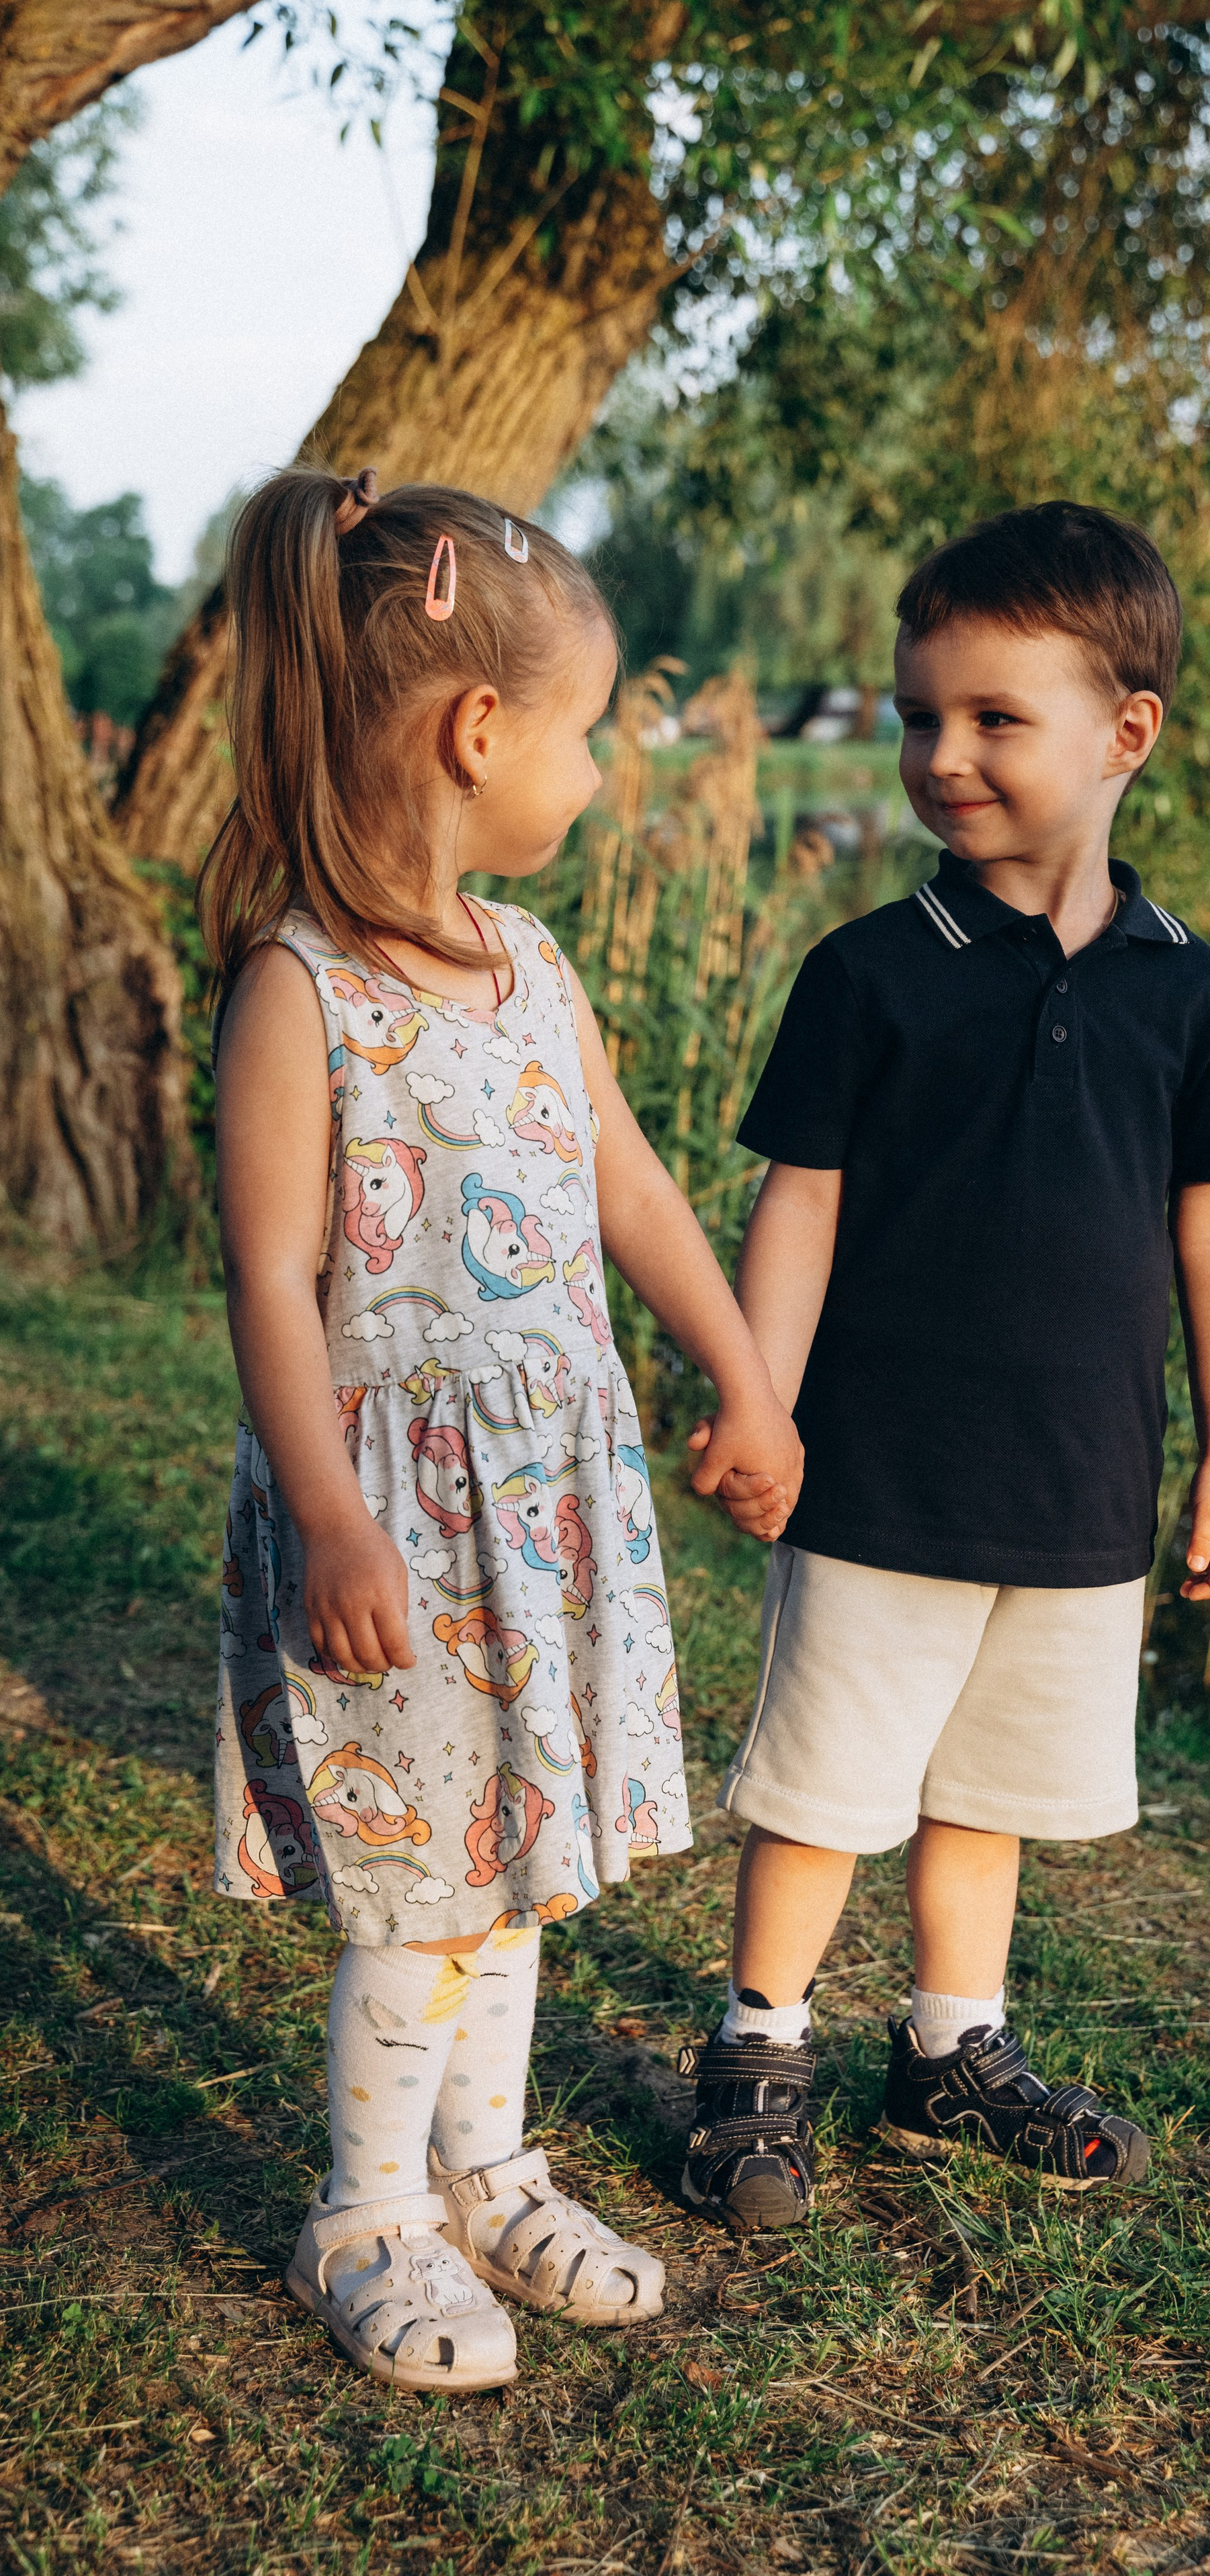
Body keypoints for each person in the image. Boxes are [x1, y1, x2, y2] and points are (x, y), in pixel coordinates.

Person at [206, 467, 801, 2388]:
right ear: (480, 732)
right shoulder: (301, 991)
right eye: (594, 736)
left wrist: (739, 1362)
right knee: (424, 1878)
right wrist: (326, 1510)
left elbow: (625, 1182)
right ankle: (367, 2210)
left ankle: (486, 2164)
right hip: (395, 1514)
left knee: (522, 1855)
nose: (607, 775)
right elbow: (276, 1281)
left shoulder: (532, 965)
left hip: (542, 1514)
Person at [678, 500, 1210, 2233]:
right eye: (917, 717)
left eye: (993, 719)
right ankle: (757, 2048)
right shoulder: (876, 974)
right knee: (825, 1783)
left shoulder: (1190, 993)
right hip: (881, 1470)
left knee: (992, 1789)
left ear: (1127, 734)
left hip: (1083, 1483)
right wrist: (763, 1401)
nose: (942, 756)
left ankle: (955, 2048)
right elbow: (800, 1204)